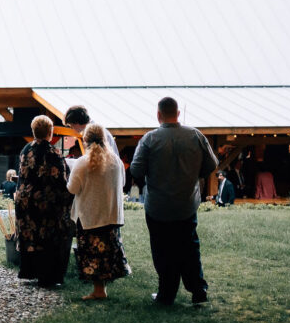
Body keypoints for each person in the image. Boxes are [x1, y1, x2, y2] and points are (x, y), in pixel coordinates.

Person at [129, 97, 217, 305]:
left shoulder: (149, 139)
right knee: (189, 247)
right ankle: (198, 290)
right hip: (186, 204)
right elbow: (212, 164)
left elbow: (136, 169)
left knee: (162, 249)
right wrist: (195, 176)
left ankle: (166, 294)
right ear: (178, 114)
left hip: (158, 206)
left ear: (158, 115)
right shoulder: (195, 135)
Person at [67, 124, 128, 300]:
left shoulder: (82, 162)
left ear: (84, 140)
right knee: (106, 252)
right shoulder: (116, 161)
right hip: (110, 214)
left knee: (92, 255)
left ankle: (98, 290)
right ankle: (101, 289)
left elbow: (72, 189)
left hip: (90, 215)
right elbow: (122, 183)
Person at [14, 115, 74, 288]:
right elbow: (60, 180)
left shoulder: (26, 149)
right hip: (44, 202)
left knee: (30, 236)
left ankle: (29, 270)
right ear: (50, 132)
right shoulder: (52, 152)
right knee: (47, 236)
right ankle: (47, 276)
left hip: (24, 200)